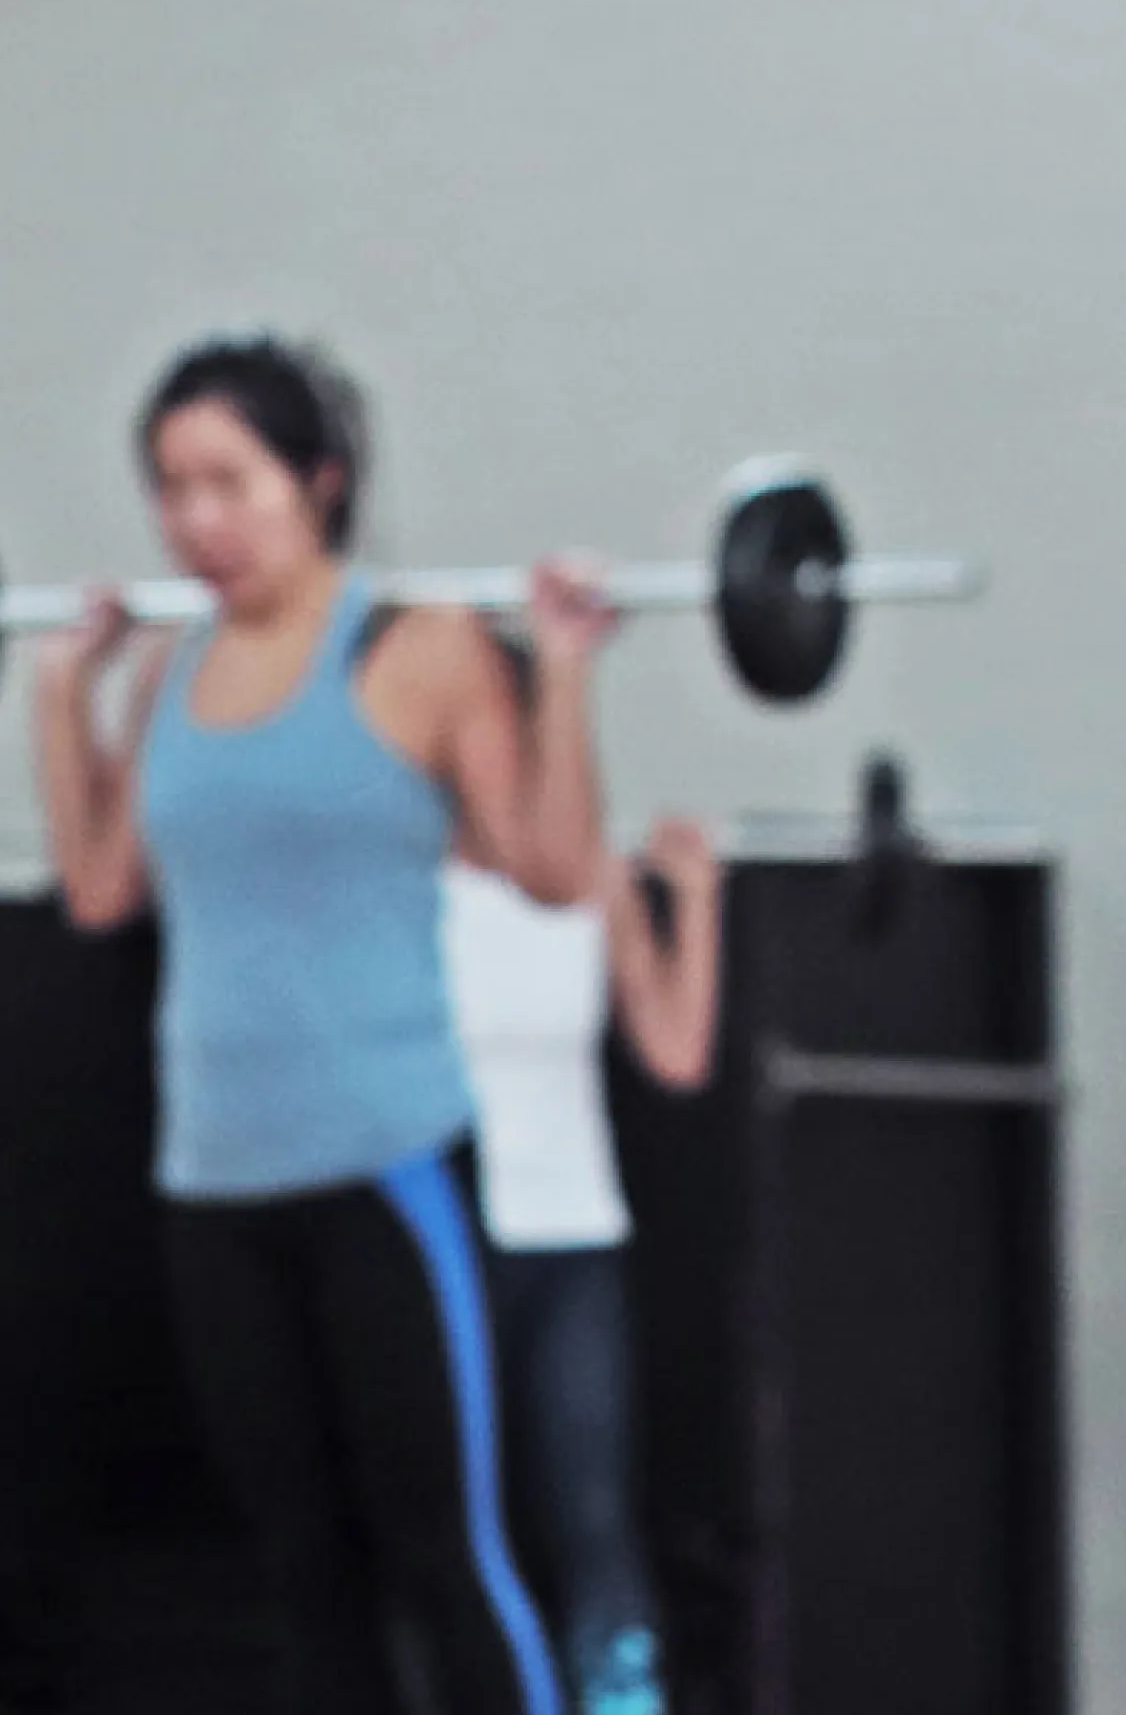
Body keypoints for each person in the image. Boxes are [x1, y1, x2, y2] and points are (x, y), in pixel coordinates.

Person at [33, 333, 605, 1715]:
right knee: (302, 1572)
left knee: (445, 1554)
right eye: (173, 487)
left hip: (387, 1167)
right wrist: (62, 694)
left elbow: (554, 867)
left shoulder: (423, 649)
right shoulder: (170, 665)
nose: (195, 521)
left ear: (321, 481)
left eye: (230, 481)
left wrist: (571, 671)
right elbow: (102, 888)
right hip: (216, 1183)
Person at [443, 648, 725, 1715]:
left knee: (592, 1515)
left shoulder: (593, 880)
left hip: (572, 1239)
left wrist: (692, 900)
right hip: (445, 1238)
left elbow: (676, 1051)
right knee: (461, 1520)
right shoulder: (400, 882)